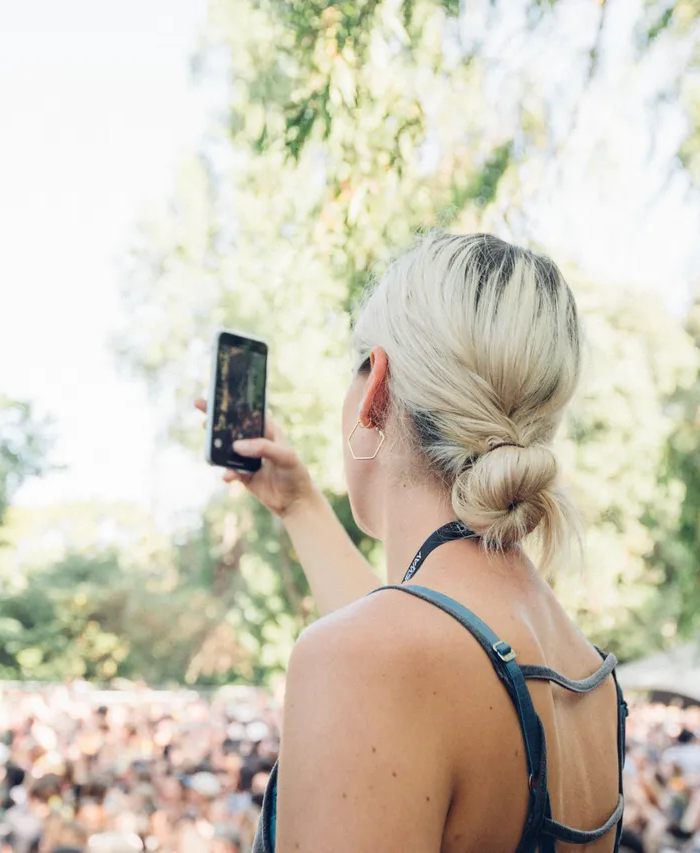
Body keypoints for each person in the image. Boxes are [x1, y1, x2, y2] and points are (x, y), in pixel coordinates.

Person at [198, 233, 626, 851]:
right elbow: (417, 644)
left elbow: (392, 656)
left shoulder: (372, 660)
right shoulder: (588, 674)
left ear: (375, 386)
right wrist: (297, 504)